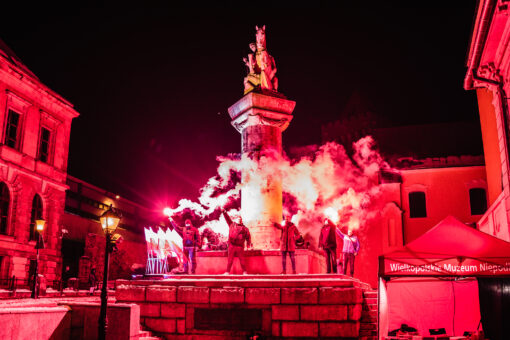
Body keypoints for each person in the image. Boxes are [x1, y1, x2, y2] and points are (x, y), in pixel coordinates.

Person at [222, 210, 252, 274]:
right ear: (236, 220)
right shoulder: (231, 224)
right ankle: (227, 272)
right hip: (231, 245)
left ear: (242, 220)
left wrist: (248, 245)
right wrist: (224, 212)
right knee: (230, 260)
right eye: (238, 219)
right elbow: (227, 218)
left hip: (239, 246)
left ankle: (245, 272)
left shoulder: (245, 229)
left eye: (240, 219)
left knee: (242, 260)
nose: (239, 220)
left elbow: (248, 237)